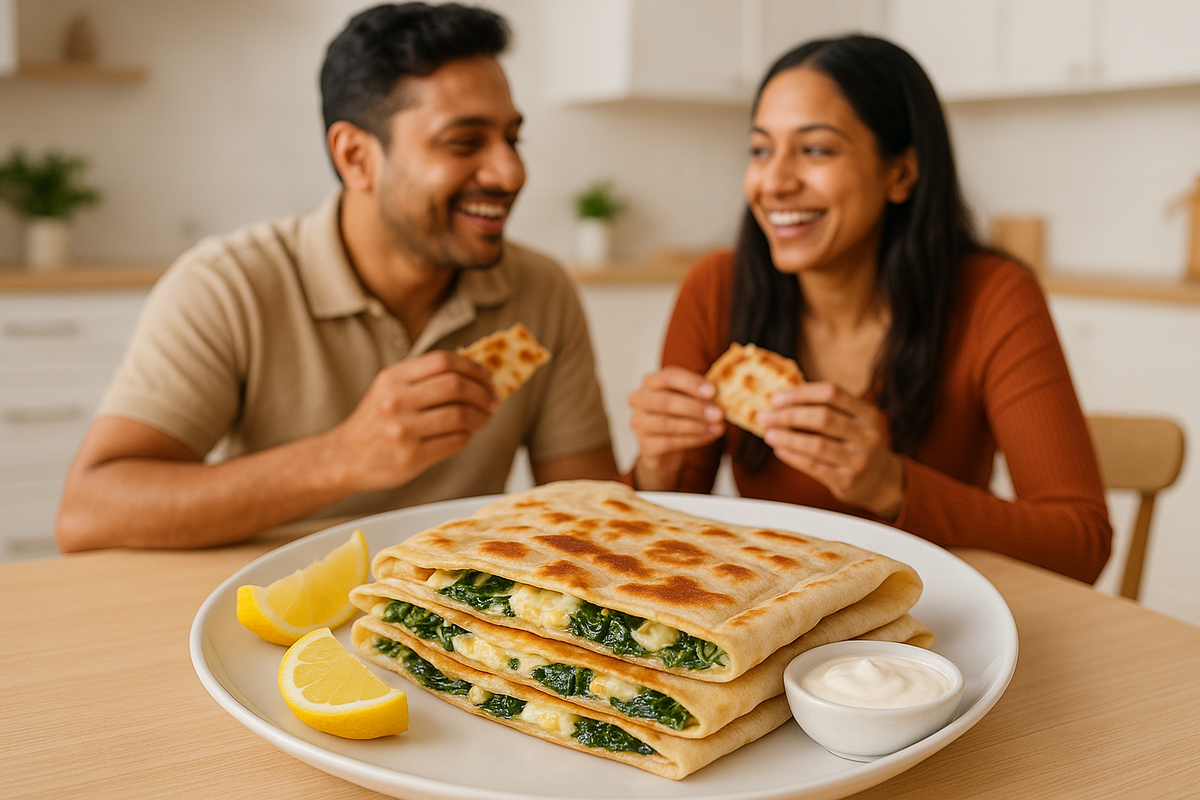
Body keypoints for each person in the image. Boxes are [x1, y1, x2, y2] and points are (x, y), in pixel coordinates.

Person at [56, 3, 618, 552]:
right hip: (272, 617)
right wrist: (341, 458)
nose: (510, 171)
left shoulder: (542, 291)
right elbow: (89, 511)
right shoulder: (227, 286)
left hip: (454, 619)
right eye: (465, 142)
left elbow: (592, 514)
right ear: (355, 157)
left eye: (512, 139)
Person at [627, 35, 1111, 583]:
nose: (775, 183)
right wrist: (655, 467)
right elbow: (658, 530)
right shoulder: (716, 287)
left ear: (901, 173)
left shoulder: (993, 296)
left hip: (938, 624)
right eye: (761, 150)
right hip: (772, 618)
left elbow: (1082, 543)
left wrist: (891, 485)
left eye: (816, 150)